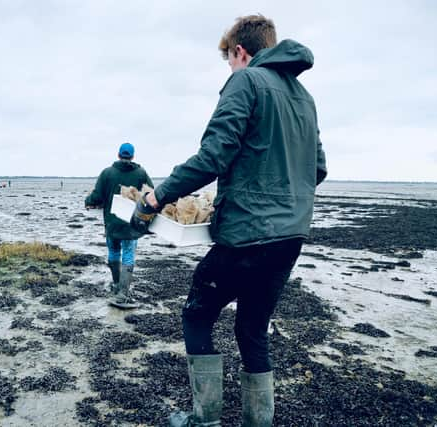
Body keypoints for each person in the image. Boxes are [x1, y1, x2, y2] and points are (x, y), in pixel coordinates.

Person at [131, 15, 327, 427]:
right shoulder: (304, 97)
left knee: (197, 314)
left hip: (247, 237)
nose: (230, 70)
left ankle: (205, 419)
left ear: (240, 52)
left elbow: (213, 157)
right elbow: (318, 168)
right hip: (291, 235)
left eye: (229, 61)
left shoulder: (247, 81)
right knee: (252, 329)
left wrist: (157, 195)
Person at [85, 142, 154, 309]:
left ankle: (116, 285)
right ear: (132, 156)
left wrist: (88, 201)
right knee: (128, 255)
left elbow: (97, 196)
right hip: (131, 225)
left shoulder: (107, 173)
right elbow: (151, 194)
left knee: (113, 252)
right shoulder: (141, 173)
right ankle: (123, 293)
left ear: (118, 155)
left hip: (111, 224)